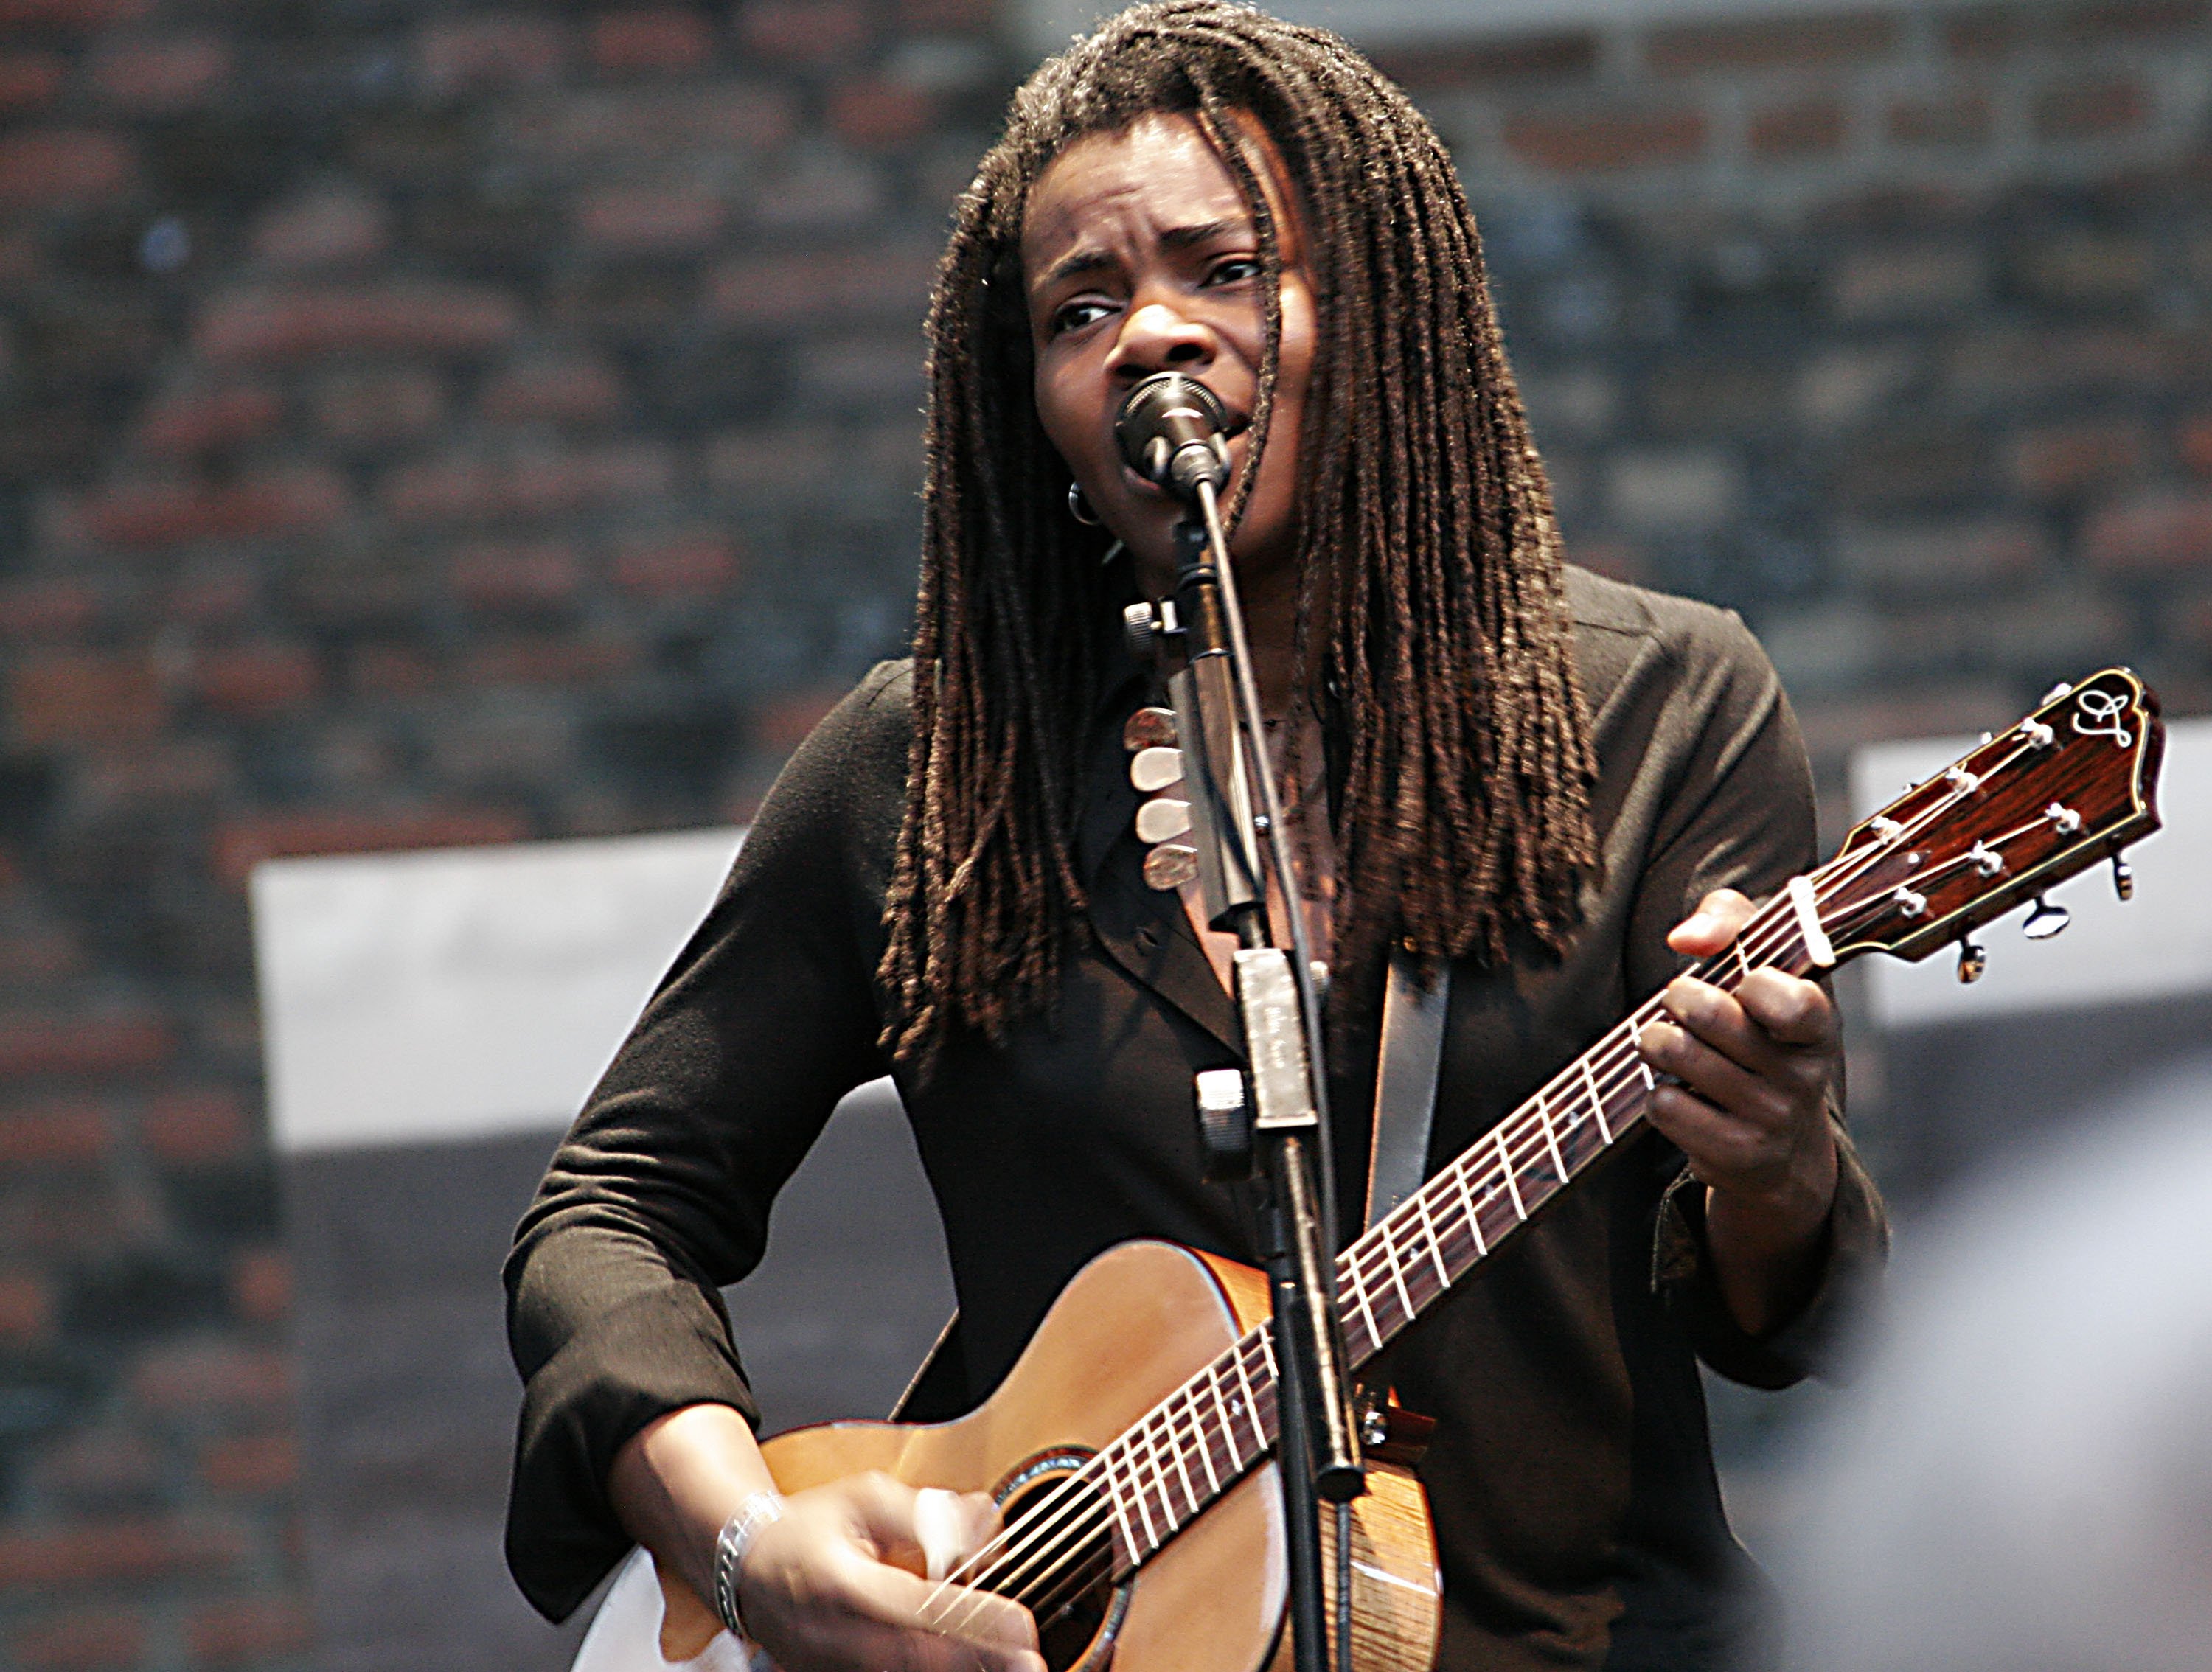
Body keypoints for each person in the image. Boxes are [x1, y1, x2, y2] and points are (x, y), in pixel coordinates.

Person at [503, 5, 1888, 1669]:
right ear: (1039, 406)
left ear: (1370, 307)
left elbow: (1785, 1309)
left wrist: (1778, 1165)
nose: (1153, 332)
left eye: (1224, 269)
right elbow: (613, 1211)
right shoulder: (937, 769)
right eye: (1081, 309)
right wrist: (742, 1548)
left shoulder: (1661, 709)